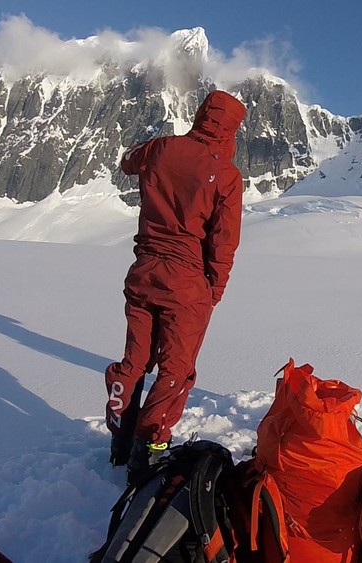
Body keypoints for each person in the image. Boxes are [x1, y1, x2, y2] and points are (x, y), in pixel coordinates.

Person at [105, 90, 247, 482]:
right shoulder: (227, 176)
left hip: (144, 271)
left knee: (135, 361)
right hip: (186, 284)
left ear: (201, 115)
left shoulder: (160, 148)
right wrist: (214, 290)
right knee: (176, 371)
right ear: (231, 130)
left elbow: (128, 161)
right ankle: (149, 452)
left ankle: (120, 440)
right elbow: (224, 242)